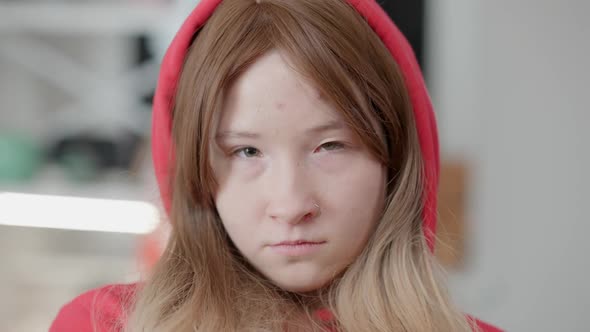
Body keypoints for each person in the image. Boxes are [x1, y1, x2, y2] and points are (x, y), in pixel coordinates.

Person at [50, 0, 502, 331]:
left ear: (396, 159)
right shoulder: (103, 326)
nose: (290, 205)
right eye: (247, 152)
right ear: (196, 173)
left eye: (330, 145)